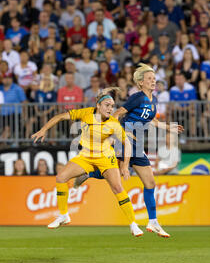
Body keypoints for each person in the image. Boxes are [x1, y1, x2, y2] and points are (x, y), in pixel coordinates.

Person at [73, 63, 184, 238]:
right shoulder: (137, 97)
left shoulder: (153, 101)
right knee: (115, 176)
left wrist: (168, 127)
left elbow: (152, 121)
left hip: (138, 145)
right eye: (149, 79)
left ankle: (153, 222)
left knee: (150, 183)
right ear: (140, 83)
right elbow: (117, 114)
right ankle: (89, 173)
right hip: (124, 139)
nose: (153, 81)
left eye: (154, 79)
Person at [31, 87, 143, 237]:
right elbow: (59, 117)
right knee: (61, 178)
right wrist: (43, 129)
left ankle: (133, 224)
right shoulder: (86, 113)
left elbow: (127, 144)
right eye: (107, 105)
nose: (110, 109)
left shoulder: (113, 123)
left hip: (105, 158)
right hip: (86, 157)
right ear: (98, 105)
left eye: (112, 106)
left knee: (117, 187)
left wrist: (124, 165)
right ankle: (64, 215)